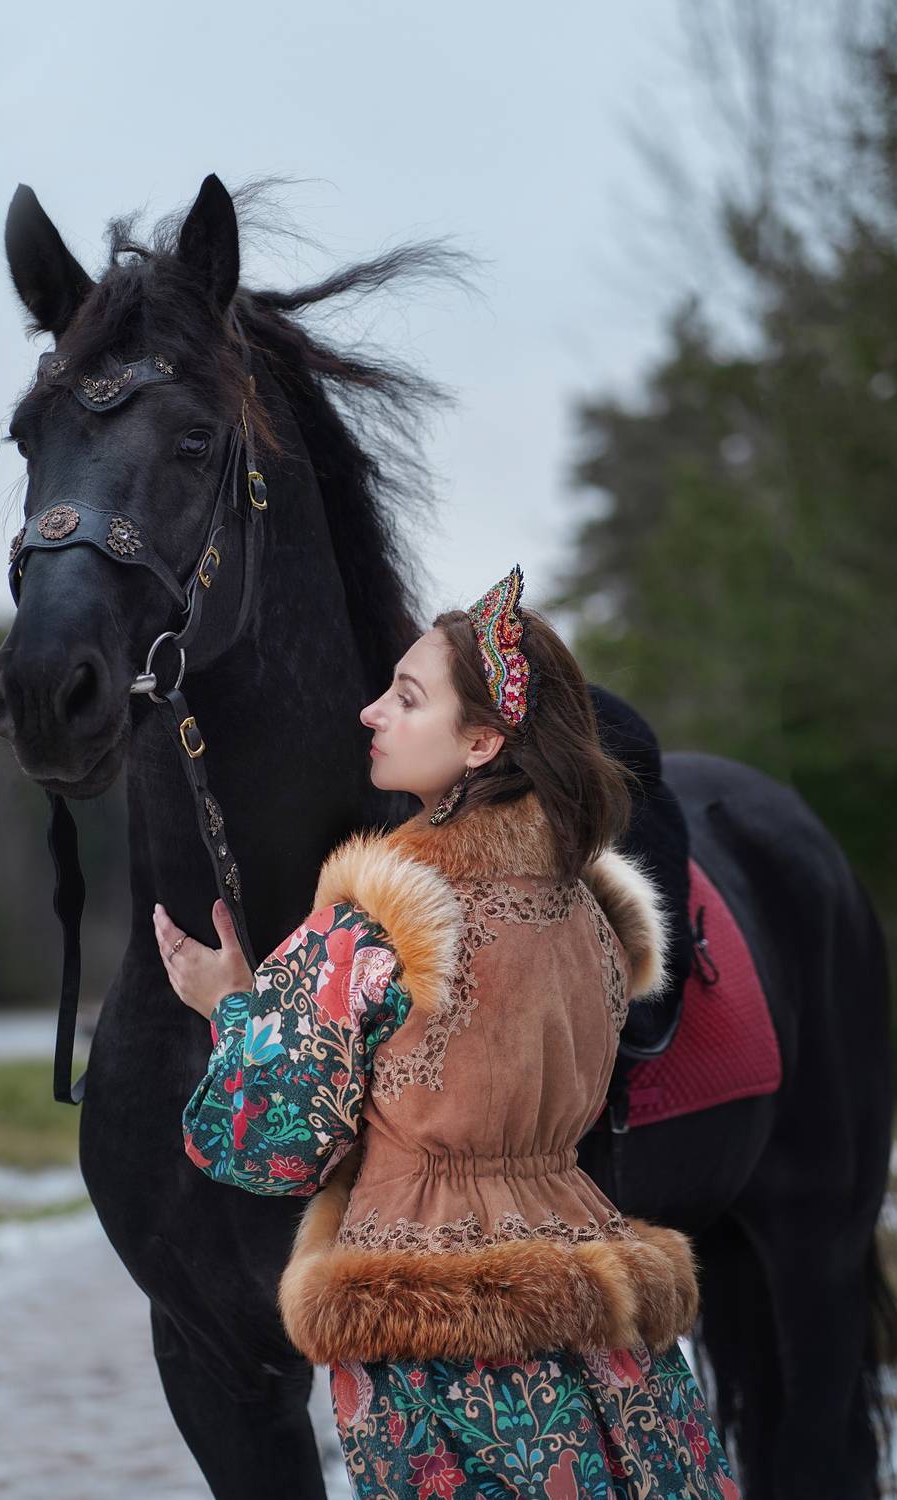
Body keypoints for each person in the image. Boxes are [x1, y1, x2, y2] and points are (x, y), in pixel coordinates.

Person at [153, 566, 741, 1498]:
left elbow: (266, 1146)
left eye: (406, 697)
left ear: (481, 741)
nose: (371, 712)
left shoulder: (378, 921)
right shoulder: (591, 914)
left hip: (428, 1325)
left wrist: (234, 1008)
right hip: (594, 1292)